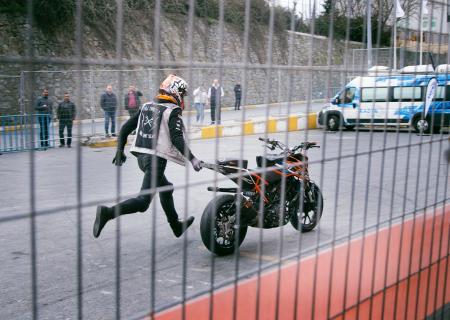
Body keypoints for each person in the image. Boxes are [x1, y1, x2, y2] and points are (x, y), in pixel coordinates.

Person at [93, 74, 203, 239]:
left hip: (142, 159)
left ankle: (176, 226)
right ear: (175, 92)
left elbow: (124, 129)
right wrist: (193, 159)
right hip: (155, 161)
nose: (183, 98)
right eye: (182, 93)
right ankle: (107, 213)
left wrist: (119, 151)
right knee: (143, 202)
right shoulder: (172, 111)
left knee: (166, 188)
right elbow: (177, 138)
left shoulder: (146, 106)